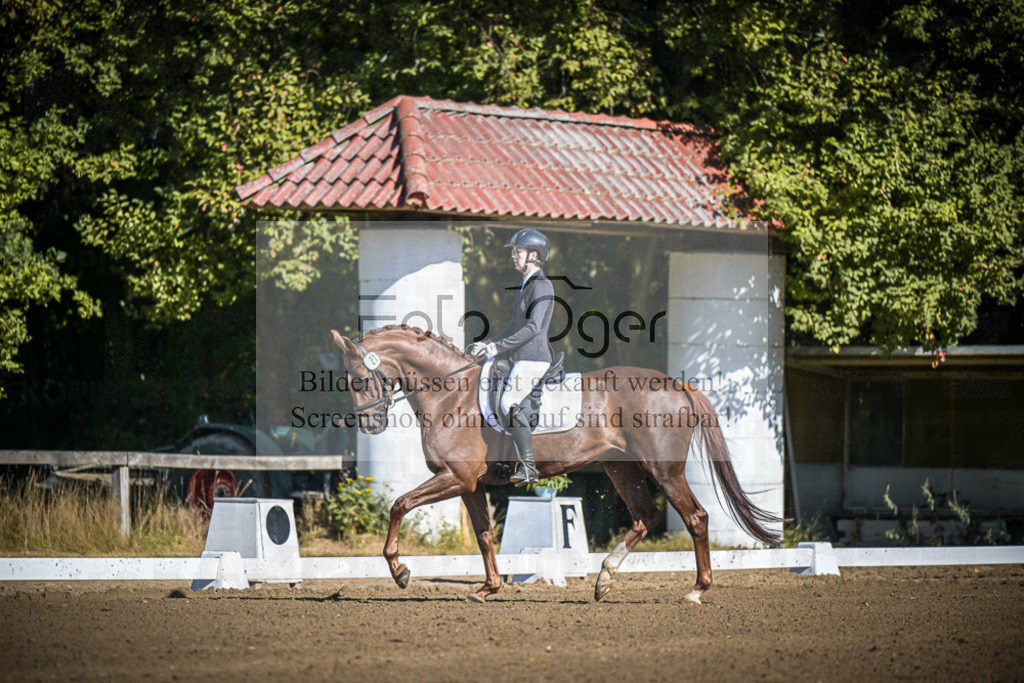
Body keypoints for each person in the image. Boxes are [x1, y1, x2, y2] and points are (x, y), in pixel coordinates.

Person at [467, 228, 554, 485]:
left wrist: (498, 348)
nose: (514, 256)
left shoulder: (542, 285)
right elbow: (513, 325)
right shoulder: (524, 285)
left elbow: (533, 328)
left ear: (534, 255)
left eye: (518, 252)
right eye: (514, 252)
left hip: (534, 358)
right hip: (520, 357)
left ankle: (528, 466)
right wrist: (489, 343)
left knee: (509, 402)